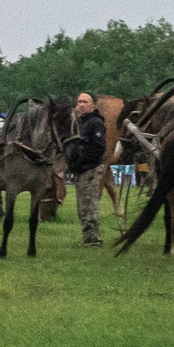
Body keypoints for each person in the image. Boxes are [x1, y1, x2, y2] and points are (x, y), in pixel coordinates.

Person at [67, 92, 108, 247]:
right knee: (82, 206)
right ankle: (88, 237)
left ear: (93, 105)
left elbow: (98, 148)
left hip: (91, 168)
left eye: (85, 101)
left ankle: (93, 239)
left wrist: (81, 161)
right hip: (80, 169)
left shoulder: (95, 122)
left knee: (89, 204)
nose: (81, 105)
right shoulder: (79, 122)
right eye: (79, 102)